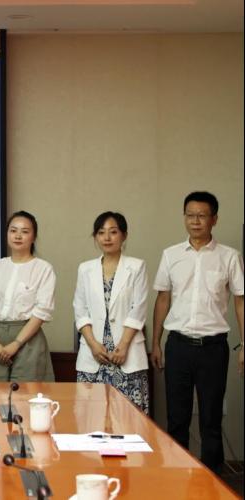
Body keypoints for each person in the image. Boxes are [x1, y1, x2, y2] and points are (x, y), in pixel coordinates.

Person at [151, 191, 244, 473]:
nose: (195, 221)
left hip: (213, 348)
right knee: (177, 418)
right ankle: (177, 478)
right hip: (178, 346)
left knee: (210, 419)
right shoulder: (171, 255)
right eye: (190, 215)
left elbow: (240, 301)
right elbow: (163, 299)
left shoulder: (229, 256)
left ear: (214, 219)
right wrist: (156, 342)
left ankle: (213, 482)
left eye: (202, 215)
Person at [73, 212, 149, 413]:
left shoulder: (137, 266)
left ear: (124, 235)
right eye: (101, 232)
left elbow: (139, 308)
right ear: (95, 237)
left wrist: (123, 346)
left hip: (126, 353)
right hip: (94, 354)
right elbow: (80, 309)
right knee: (91, 418)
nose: (107, 238)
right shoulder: (85, 269)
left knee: (128, 419)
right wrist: (93, 344)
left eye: (113, 232)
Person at [0, 211, 56, 382]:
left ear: (34, 237)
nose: (18, 236)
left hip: (28, 339)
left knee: (25, 394)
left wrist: (16, 343)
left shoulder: (43, 269)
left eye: (25, 231)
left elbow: (42, 311)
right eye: (13, 230)